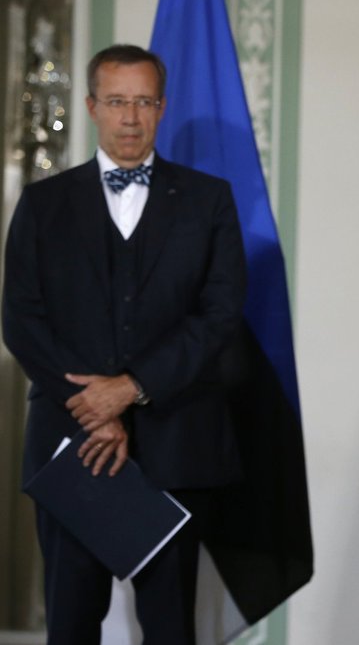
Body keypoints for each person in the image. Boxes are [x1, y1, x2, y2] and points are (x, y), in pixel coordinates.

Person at [1, 44, 246, 643]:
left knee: (169, 629)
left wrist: (133, 389)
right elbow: (21, 320)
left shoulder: (208, 200)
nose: (130, 117)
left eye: (143, 102)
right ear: (91, 106)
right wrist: (90, 405)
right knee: (71, 625)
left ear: (161, 108)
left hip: (176, 443)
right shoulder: (42, 204)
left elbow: (220, 315)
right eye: (116, 102)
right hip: (69, 444)